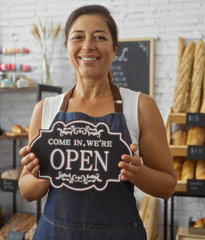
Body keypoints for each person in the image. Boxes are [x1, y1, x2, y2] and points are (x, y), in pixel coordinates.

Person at [18, 5, 176, 239]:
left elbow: (167, 187)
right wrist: (40, 173)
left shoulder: (140, 106)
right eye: (78, 37)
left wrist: (136, 171)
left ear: (114, 48)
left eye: (100, 37)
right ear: (67, 48)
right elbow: (27, 191)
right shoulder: (45, 109)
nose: (88, 45)